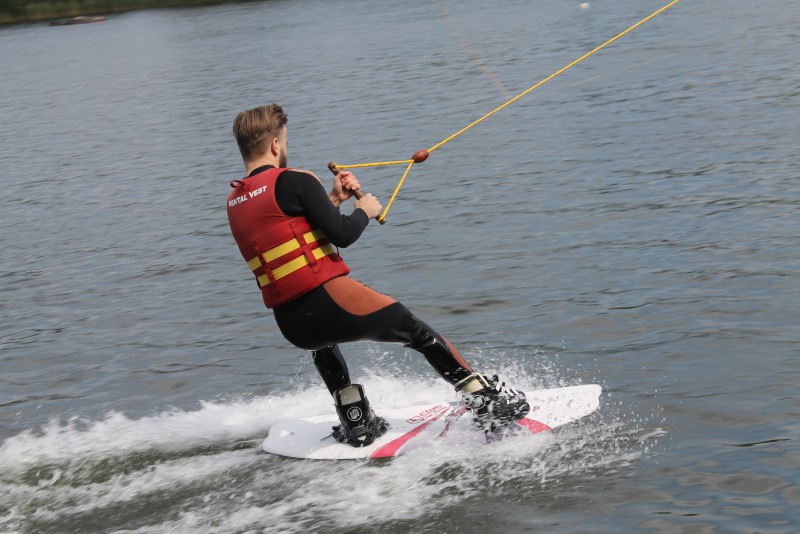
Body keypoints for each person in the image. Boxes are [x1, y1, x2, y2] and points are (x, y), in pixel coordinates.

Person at [226, 103, 529, 447]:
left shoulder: (235, 201)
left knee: (324, 345)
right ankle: (486, 400)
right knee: (414, 330)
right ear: (276, 145)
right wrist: (363, 211)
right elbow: (342, 235)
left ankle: (356, 420)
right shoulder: (295, 179)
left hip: (293, 325)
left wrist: (332, 200)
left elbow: (293, 234)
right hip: (334, 303)